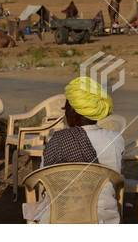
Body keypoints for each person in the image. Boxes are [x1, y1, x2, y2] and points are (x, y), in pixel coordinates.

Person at [23, 77, 125, 224]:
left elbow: (43, 178)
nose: (64, 113)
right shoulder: (116, 139)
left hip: (59, 218)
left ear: (74, 114)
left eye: (65, 109)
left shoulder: (58, 140)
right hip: (102, 217)